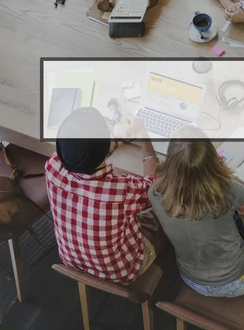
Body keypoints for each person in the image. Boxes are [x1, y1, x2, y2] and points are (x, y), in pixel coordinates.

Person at [147, 127, 244, 297]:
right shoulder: (226, 191)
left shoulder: (155, 192)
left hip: (190, 278)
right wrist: (237, 186)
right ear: (212, 160)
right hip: (239, 280)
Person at [44, 108, 160, 285]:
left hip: (71, 260)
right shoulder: (120, 190)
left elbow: (81, 156)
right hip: (122, 271)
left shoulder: (51, 167)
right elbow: (153, 185)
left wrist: (113, 137)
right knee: (160, 211)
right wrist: (144, 138)